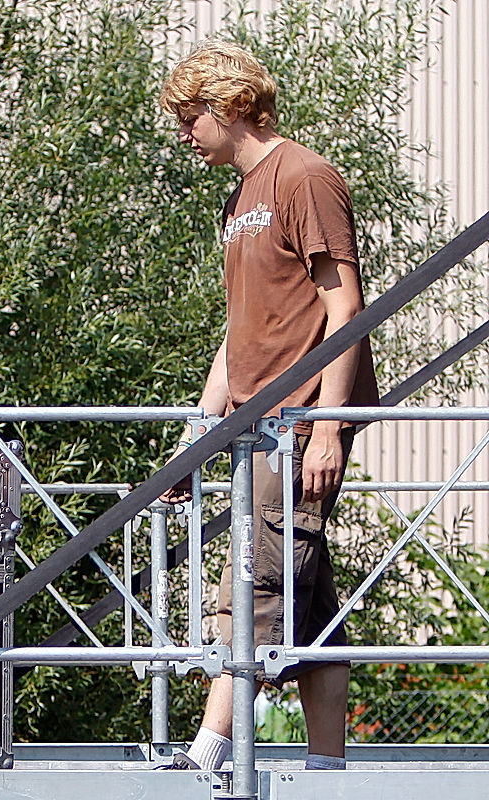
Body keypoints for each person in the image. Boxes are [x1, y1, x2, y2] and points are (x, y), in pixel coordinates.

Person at [156, 40, 378, 772]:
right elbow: (240, 330)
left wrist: (327, 427)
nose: (184, 133)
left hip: (297, 425)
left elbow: (344, 308)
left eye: (191, 117)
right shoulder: (241, 197)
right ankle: (327, 767)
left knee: (258, 584)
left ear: (229, 106)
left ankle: (205, 757)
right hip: (255, 425)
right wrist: (197, 431)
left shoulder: (304, 177)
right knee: (312, 611)